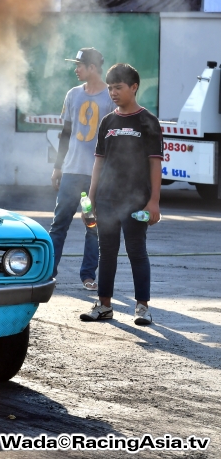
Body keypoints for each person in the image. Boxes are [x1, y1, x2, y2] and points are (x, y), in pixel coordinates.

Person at [80, 63, 162, 325]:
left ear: (134, 87)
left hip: (136, 200)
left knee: (137, 251)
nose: (113, 92)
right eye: (111, 88)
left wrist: (154, 202)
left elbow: (155, 164)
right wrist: (90, 200)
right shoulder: (108, 121)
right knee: (107, 252)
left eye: (119, 87)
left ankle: (142, 308)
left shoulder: (148, 121)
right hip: (106, 199)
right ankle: (104, 306)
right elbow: (99, 162)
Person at [50, 48, 116, 291]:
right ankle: (50, 273)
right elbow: (65, 133)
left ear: (93, 67)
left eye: (80, 65)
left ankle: (88, 275)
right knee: (59, 224)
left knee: (92, 226)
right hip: (71, 173)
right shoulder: (73, 94)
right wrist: (58, 166)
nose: (76, 69)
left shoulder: (110, 98)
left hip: (95, 177)